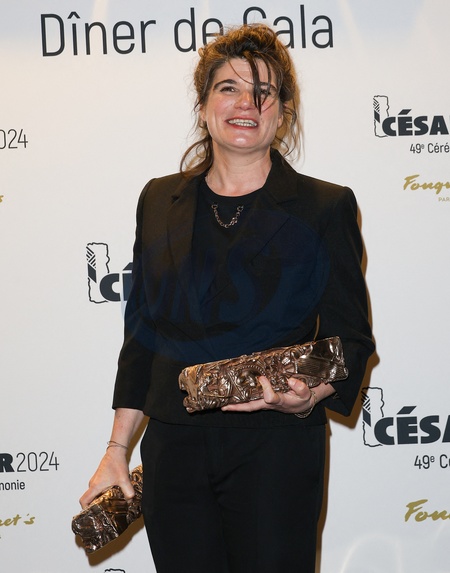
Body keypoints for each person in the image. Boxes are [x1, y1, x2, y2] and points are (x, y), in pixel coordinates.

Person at [80, 23, 375, 573]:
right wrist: (116, 450)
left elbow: (351, 340)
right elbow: (141, 337)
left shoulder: (324, 207)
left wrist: (307, 398)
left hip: (277, 449)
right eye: (229, 88)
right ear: (203, 106)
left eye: (264, 92)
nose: (247, 103)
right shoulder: (158, 200)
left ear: (281, 113)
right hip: (173, 452)